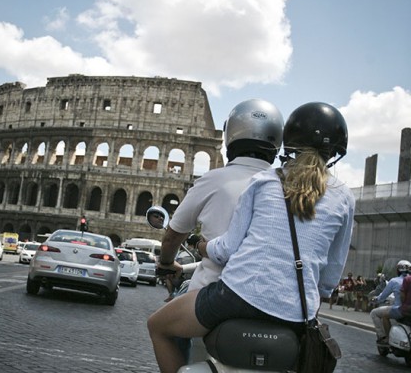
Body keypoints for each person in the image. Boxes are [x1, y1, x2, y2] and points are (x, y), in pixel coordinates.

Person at [148, 101, 355, 373]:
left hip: (238, 295)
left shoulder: (266, 181)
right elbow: (328, 279)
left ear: (289, 142)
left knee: (158, 327)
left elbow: (227, 249)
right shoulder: (345, 198)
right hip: (297, 313)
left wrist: (201, 245)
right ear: (337, 151)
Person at [157, 98, 284, 292]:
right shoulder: (286, 188)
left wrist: (166, 263)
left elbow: (171, 239)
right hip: (267, 296)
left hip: (211, 291)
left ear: (230, 135)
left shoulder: (212, 180)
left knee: (157, 323)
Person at [370, 260, 411, 345]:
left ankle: (384, 337)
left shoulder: (394, 281)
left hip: (399, 308)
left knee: (375, 313)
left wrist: (376, 299)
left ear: (398, 270)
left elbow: (383, 296)